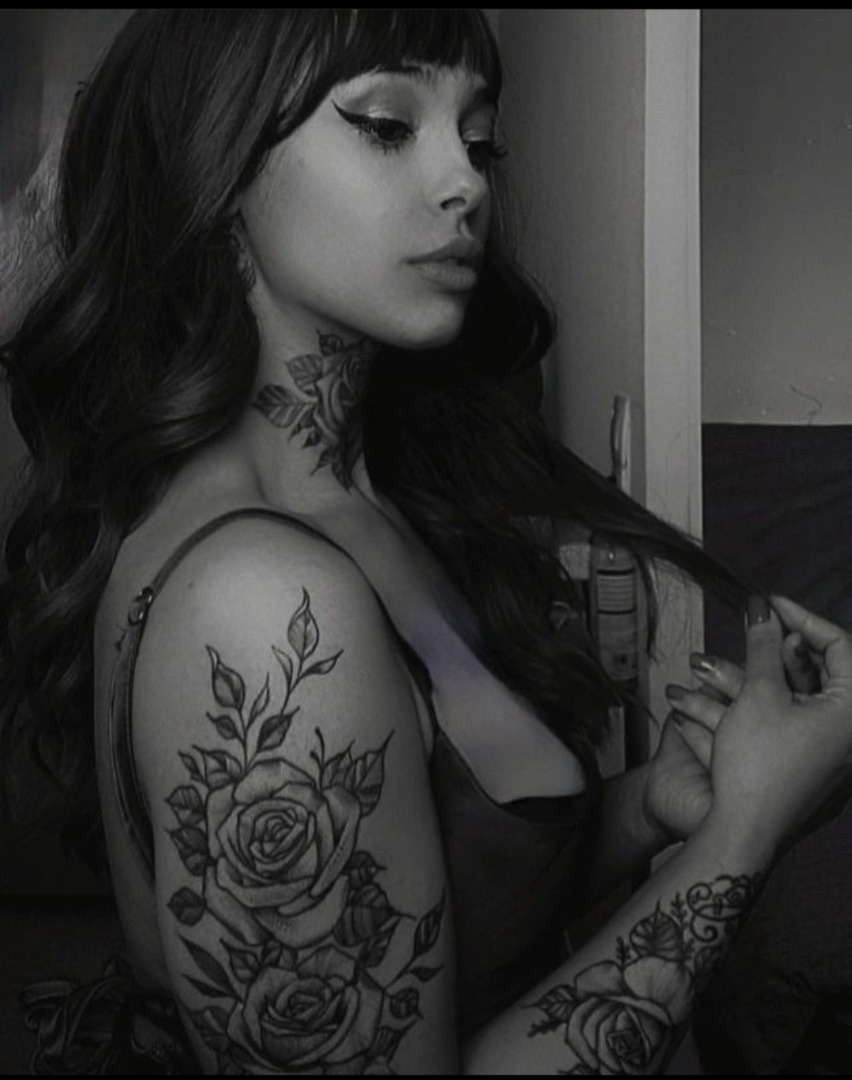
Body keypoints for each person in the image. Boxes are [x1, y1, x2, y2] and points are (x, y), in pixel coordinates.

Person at [2, 10, 852, 1075]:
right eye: (387, 125)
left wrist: (657, 807)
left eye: (479, 139)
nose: (465, 183)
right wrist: (742, 839)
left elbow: (432, 902)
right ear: (218, 162)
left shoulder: (371, 505)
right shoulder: (259, 604)